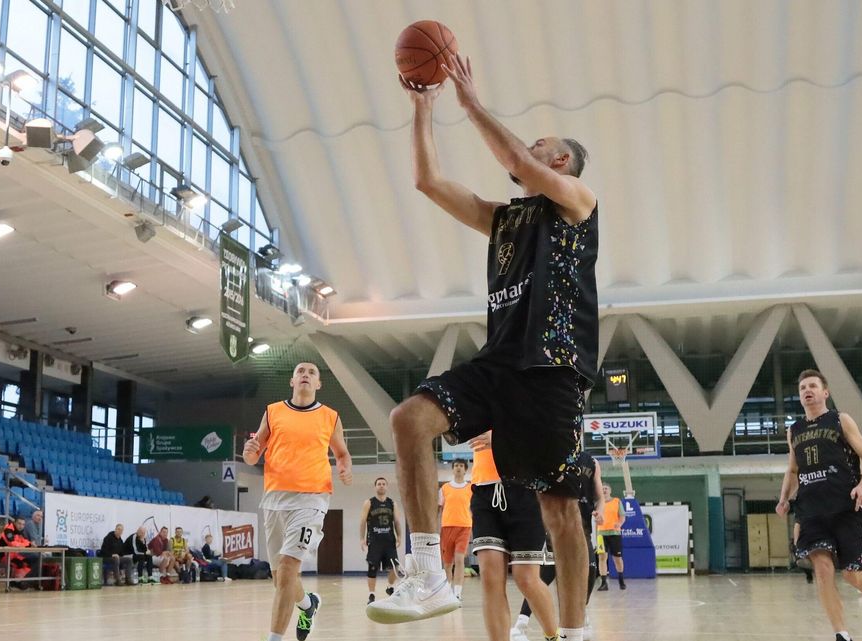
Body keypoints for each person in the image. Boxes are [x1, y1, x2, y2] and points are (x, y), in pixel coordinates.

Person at [370, 54, 599, 641]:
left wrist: (470, 103)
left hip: (552, 369)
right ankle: (428, 574)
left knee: (560, 512)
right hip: (499, 363)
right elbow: (429, 183)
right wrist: (423, 109)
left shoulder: (577, 202)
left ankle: (572, 632)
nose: (528, 148)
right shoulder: (506, 219)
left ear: (561, 160)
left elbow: (517, 159)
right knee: (409, 419)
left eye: (540, 143)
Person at [776, 369, 862, 641]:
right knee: (822, 570)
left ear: (825, 392)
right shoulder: (794, 430)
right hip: (811, 510)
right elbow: (792, 469)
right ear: (799, 396)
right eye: (802, 388)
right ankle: (841, 635)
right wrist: (783, 497)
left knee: (852, 574)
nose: (807, 390)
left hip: (846, 508)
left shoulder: (840, 420)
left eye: (813, 386)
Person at [242, 361, 353, 641]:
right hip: (274, 498)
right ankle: (307, 604)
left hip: (312, 497)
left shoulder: (330, 416)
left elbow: (341, 453)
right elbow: (253, 456)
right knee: (281, 579)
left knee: (290, 567)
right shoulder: (273, 412)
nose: (305, 375)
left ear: (318, 384)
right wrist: (249, 452)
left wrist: (344, 466)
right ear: (292, 381)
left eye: (311, 372)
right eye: (300, 372)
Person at [468, 431, 559, 641]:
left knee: (526, 578)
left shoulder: (534, 400)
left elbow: (549, 438)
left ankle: (553, 636)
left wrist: (502, 441)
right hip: (485, 490)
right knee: (490, 578)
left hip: (526, 489)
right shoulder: (479, 401)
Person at [514, 462, 604, 641]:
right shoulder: (554, 454)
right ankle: (520, 624)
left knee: (590, 572)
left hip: (582, 528)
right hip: (554, 527)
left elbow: (599, 497)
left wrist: (600, 511)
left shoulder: (592, 463)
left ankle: (579, 617)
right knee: (543, 576)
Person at [360, 477, 402, 604]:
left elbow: (397, 522)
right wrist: (362, 538)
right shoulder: (369, 503)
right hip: (374, 540)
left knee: (395, 567)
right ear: (375, 487)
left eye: (384, 484)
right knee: (372, 568)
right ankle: (371, 595)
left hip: (389, 541)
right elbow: (362, 521)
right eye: (379, 484)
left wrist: (399, 536)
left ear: (387, 486)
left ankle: (390, 587)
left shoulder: (392, 503)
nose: (381, 486)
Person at [438, 459, 473, 599]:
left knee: (459, 560)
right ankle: (447, 593)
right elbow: (440, 509)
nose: (458, 468)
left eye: (461, 466)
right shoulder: (445, 488)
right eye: (456, 466)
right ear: (452, 469)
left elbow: (474, 509)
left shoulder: (471, 488)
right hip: (447, 527)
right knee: (447, 563)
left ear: (465, 470)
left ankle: (457, 593)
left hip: (464, 527)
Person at [594, 483, 626, 591]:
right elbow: (596, 520)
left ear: (610, 491)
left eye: (606, 488)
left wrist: (619, 524)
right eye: (602, 489)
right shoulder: (598, 504)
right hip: (601, 534)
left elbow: (622, 517)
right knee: (602, 558)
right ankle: (604, 583)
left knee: (617, 558)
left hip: (614, 533)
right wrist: (596, 534)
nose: (604, 490)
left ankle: (621, 580)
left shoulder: (616, 501)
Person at [0, 517, 36, 590]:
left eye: (23, 524)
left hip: (15, 555)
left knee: (32, 560)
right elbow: (12, 543)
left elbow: (25, 541)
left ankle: (23, 583)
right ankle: (16, 583)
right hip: (4, 556)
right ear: (14, 523)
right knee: (21, 563)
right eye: (19, 523)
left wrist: (28, 544)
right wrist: (28, 545)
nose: (21, 526)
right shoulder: (8, 531)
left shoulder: (19, 532)